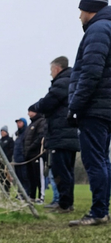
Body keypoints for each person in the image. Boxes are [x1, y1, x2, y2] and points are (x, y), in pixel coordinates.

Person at [67, 0, 111, 227]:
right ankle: (102, 210)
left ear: (90, 9)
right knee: (103, 160)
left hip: (95, 108)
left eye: (81, 11)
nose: (80, 16)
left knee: (95, 161)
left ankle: (98, 212)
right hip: (104, 108)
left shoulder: (98, 30)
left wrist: (75, 106)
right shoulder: (106, 28)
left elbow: (91, 73)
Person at [28, 56, 78, 213]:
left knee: (60, 171)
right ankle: (67, 202)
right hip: (68, 135)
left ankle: (64, 204)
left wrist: (35, 106)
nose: (50, 74)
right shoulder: (71, 80)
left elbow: (48, 102)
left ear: (57, 68)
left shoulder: (62, 83)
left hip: (61, 135)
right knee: (67, 171)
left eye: (51, 70)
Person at [24, 111, 46, 202]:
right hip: (29, 155)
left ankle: (41, 196)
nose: (28, 113)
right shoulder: (30, 125)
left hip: (37, 154)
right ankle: (32, 196)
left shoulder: (41, 122)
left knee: (39, 176)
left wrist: (32, 147)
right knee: (31, 177)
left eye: (30, 111)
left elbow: (40, 137)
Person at [13, 118, 30, 197]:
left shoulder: (26, 133)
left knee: (25, 177)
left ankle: (26, 193)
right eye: (17, 122)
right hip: (17, 160)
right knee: (19, 178)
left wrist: (24, 156)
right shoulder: (18, 135)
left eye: (20, 122)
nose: (18, 124)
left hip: (23, 160)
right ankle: (19, 193)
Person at [0, 125, 14, 193]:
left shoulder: (10, 140)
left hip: (7, 161)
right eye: (1, 131)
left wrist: (6, 157)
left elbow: (12, 150)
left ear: (6, 132)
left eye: (3, 131)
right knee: (1, 176)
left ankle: (7, 191)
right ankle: (2, 190)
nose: (2, 133)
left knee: (7, 176)